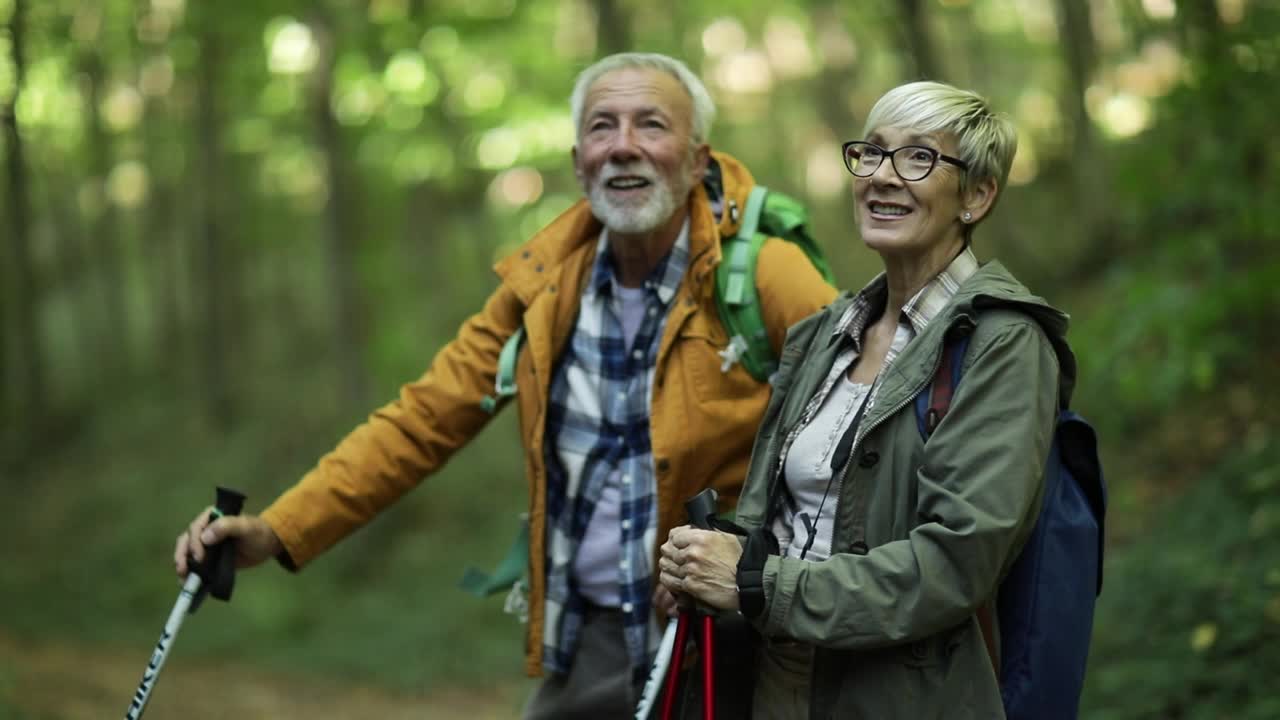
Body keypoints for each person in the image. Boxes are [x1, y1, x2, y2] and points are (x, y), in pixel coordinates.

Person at [173, 52, 836, 718]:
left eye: (652, 125)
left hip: (726, 640)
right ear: (579, 162)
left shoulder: (768, 280)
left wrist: (759, 563)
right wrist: (278, 530)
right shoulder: (542, 290)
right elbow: (423, 418)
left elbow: (856, 437)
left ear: (696, 160)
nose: (624, 147)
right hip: (589, 640)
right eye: (603, 127)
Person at [658, 80, 1072, 718]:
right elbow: (784, 515)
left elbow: (956, 562)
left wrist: (754, 583)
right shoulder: (825, 334)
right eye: (873, 153)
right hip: (775, 680)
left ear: (977, 196)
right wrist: (707, 559)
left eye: (919, 158)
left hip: (902, 695)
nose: (883, 176)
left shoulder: (1003, 343)